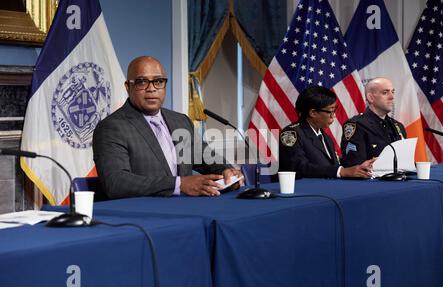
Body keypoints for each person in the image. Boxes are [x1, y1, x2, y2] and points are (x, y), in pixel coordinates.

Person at [93, 56, 243, 199]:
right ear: (128, 87)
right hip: (143, 216)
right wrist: (179, 184)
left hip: (186, 209)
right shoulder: (111, 128)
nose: (151, 89)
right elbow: (116, 183)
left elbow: (204, 156)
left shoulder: (180, 121)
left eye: (158, 81)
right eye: (142, 82)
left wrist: (226, 171)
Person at [279, 86, 374, 179]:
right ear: (313, 113)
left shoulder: (325, 137)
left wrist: (359, 167)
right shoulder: (291, 134)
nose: (334, 116)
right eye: (331, 111)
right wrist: (341, 171)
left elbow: (330, 165)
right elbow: (299, 168)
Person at [341, 77, 407, 167]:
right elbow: (354, 165)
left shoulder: (398, 126)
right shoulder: (357, 125)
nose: (392, 97)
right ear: (370, 98)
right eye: (385, 92)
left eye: (393, 92)